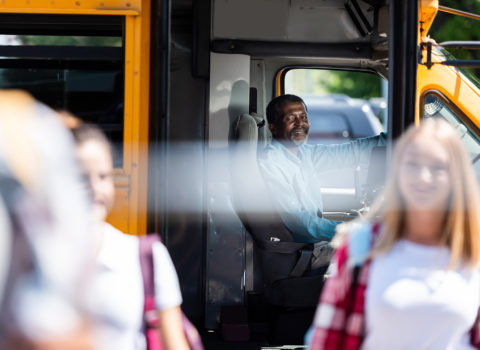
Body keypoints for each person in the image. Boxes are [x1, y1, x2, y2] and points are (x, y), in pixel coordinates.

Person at [308, 118, 480, 350]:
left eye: (438, 167)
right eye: (412, 165)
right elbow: (327, 342)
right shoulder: (362, 245)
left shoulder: (474, 249)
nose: (423, 177)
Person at [67, 120, 191, 350]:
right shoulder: (28, 258)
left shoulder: (146, 257)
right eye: (80, 178)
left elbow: (174, 343)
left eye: (103, 176)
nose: (95, 188)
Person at [258, 94, 385, 243]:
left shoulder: (305, 154)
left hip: (315, 244)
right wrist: (352, 232)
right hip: (302, 251)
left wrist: (394, 137)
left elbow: (351, 152)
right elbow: (300, 221)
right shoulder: (271, 163)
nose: (300, 123)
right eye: (291, 118)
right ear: (273, 127)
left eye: (304, 118)